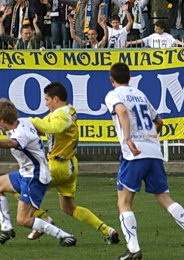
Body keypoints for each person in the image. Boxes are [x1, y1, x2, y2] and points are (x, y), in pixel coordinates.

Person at [105, 62, 184, 260]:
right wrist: (149, 137)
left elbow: (122, 112)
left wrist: (128, 138)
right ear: (130, 77)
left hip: (133, 154)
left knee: (124, 202)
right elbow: (159, 122)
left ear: (111, 79)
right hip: (153, 152)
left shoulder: (113, 95)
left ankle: (133, 249)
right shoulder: (140, 95)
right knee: (164, 198)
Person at [26, 82, 119, 244]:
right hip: (70, 165)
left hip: (57, 166)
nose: (46, 103)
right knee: (69, 208)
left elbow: (54, 127)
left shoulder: (60, 115)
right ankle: (107, 230)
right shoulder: (67, 110)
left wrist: (29, 120)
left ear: (55, 99)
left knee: (20, 187)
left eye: (47, 100)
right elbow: (44, 127)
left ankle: (44, 219)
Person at [0, 99, 77, 247]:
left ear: (2, 120)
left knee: (23, 219)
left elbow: (12, 143)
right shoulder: (24, 121)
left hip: (35, 177)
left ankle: (65, 236)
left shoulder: (20, 133)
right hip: (25, 173)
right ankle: (6, 229)